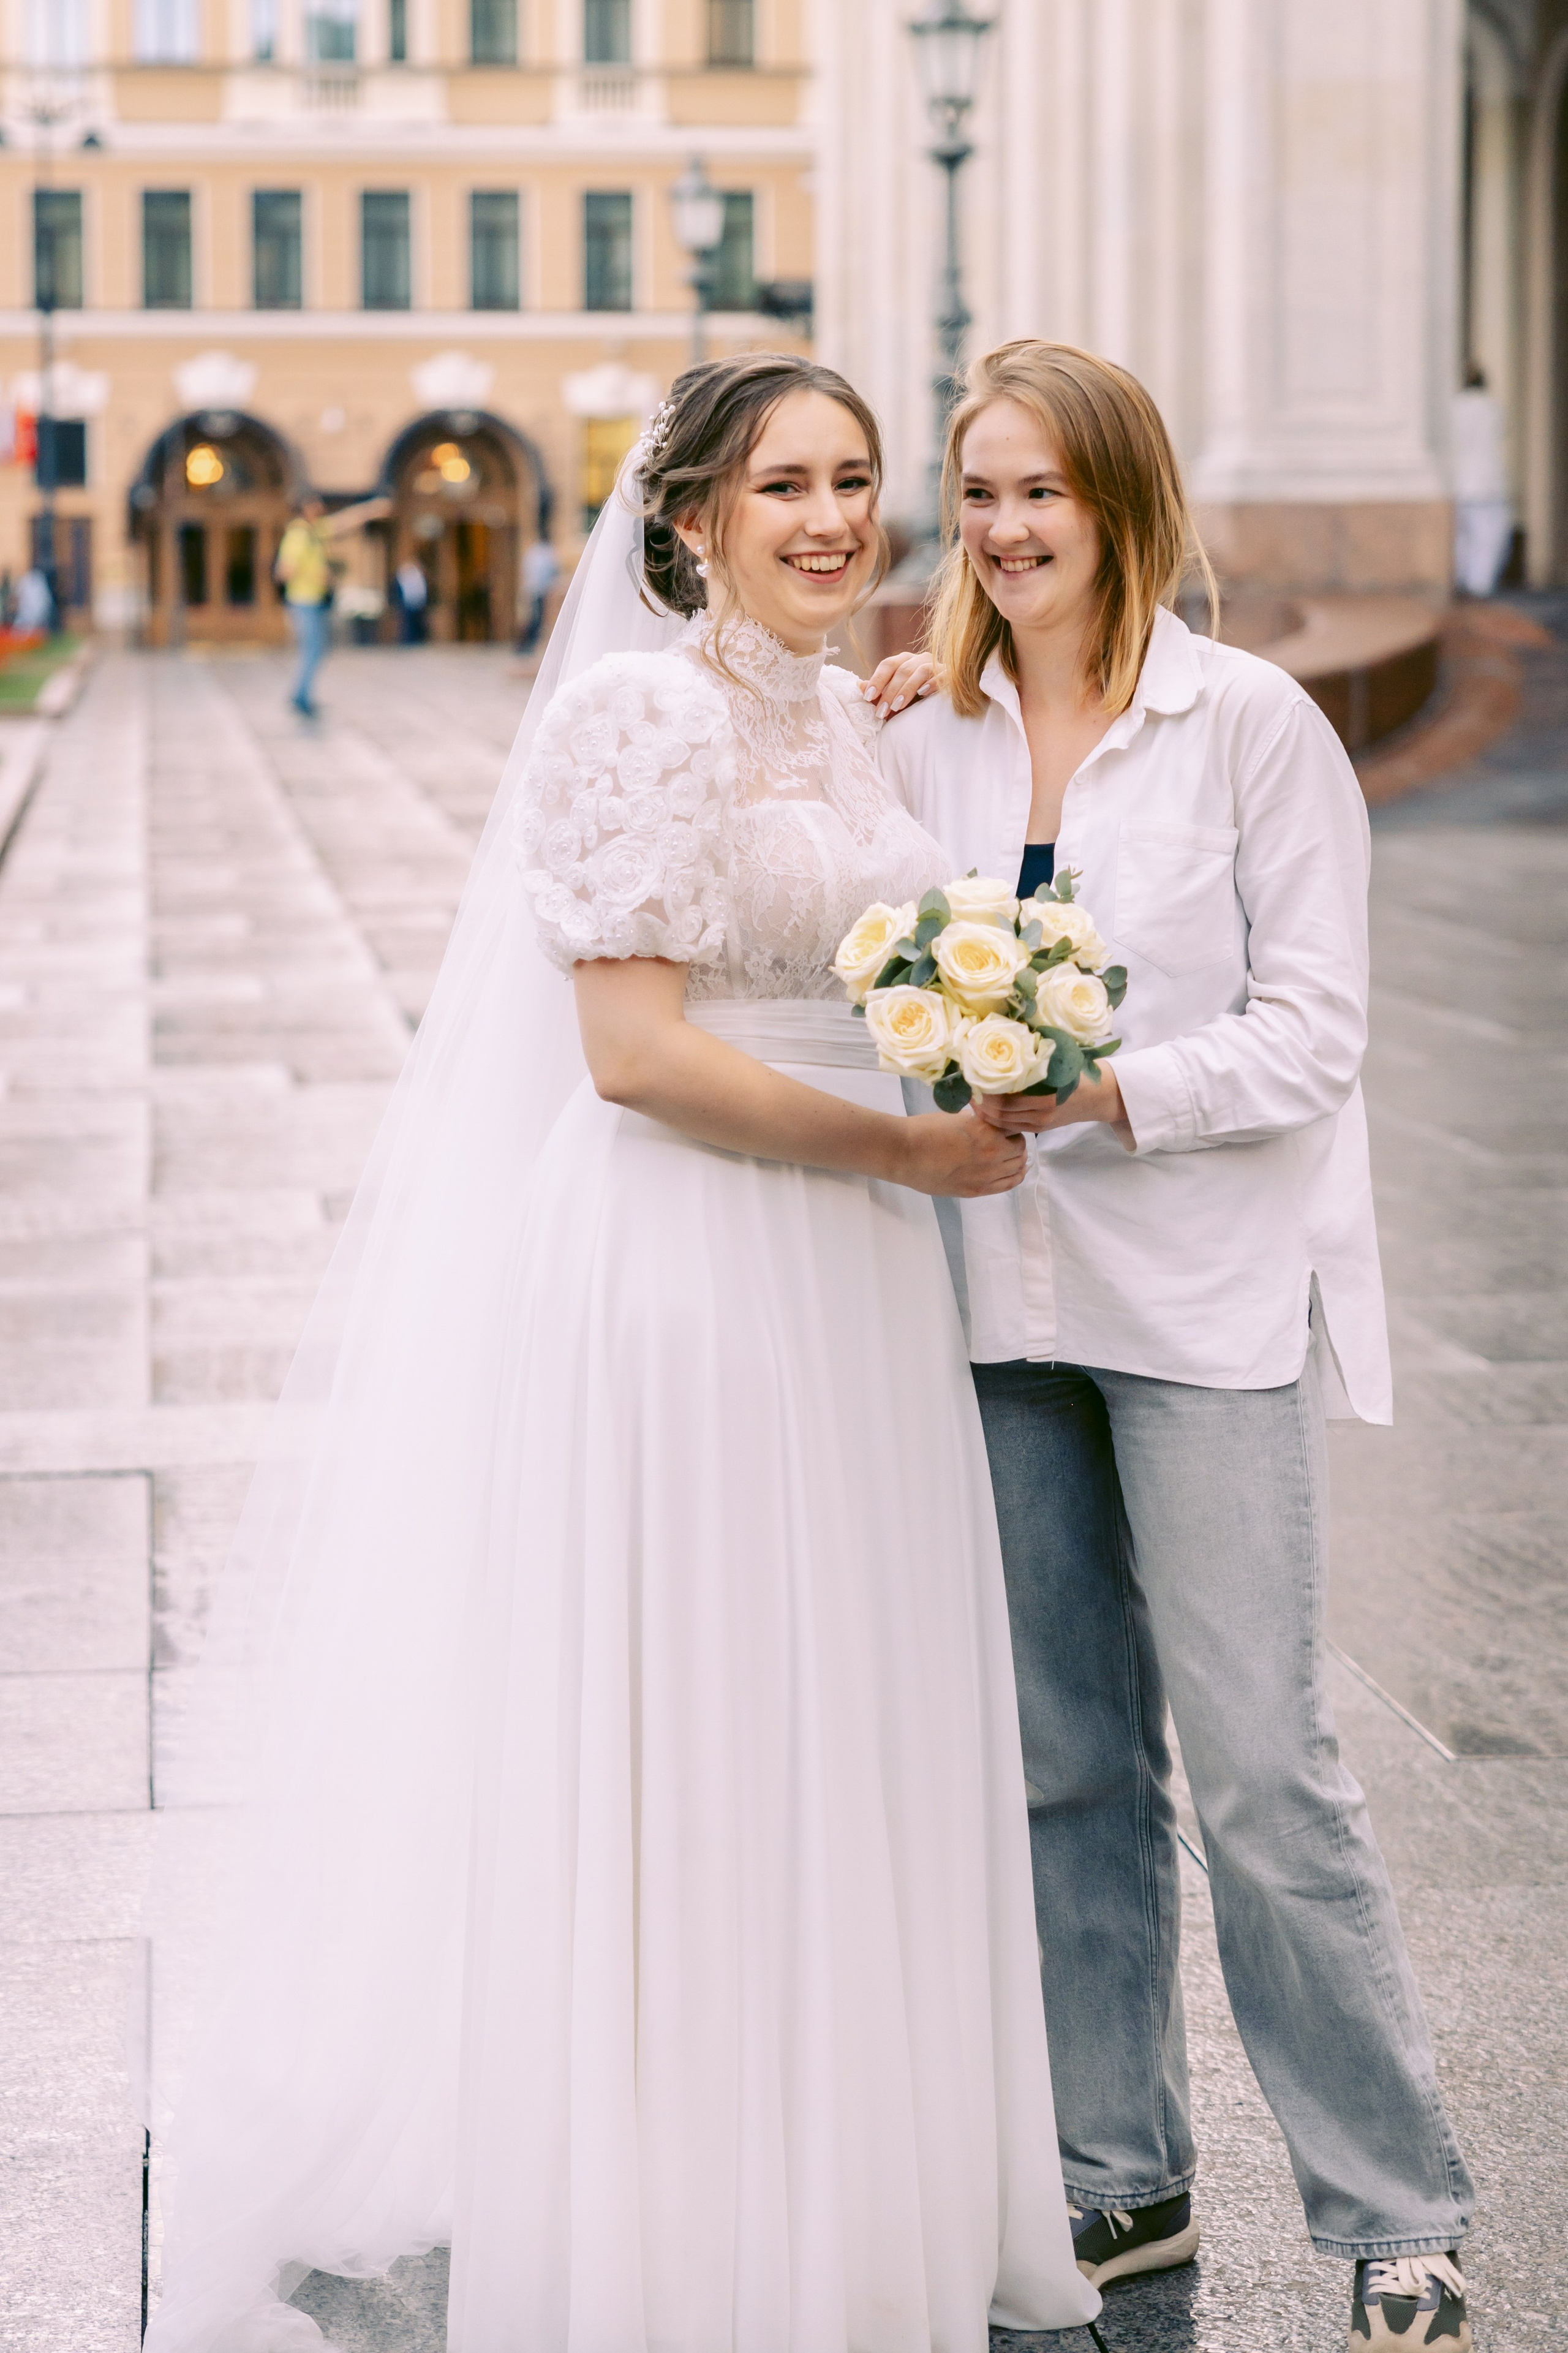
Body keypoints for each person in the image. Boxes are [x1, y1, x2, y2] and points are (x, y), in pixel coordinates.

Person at [137, 352, 1102, 2353]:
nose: (834, 520)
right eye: (784, 489)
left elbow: (889, 913)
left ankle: (831, 2181)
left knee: (834, 1714)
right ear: (687, 522)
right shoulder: (632, 716)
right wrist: (910, 1147)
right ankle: (675, 2208)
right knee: (701, 1715)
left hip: (849, 1284)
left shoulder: (851, 716)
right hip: (690, 1269)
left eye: (855, 481)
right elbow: (637, 1054)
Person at [875, 340, 1475, 2353]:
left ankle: (1395, 2211)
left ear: (1123, 500)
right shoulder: (925, 741)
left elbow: (1319, 1031)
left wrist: (1117, 1092)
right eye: (977, 495)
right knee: (1062, 1768)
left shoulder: (1254, 730)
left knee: (1266, 1776)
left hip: (1199, 1311)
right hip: (995, 1309)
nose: (1006, 529)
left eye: (1039, 489)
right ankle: (1111, 2175)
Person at [1452, 366, 1514, 598]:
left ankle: (1463, 580)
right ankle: (1480, 586)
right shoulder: (1493, 408)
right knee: (1488, 536)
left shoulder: (1452, 408)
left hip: (1459, 480)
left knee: (1462, 536)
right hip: (1489, 481)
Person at [274, 494, 337, 716]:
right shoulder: (299, 534)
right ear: (307, 508)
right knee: (312, 648)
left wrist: (372, 510)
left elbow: (342, 523)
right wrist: (314, 575)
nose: (321, 509)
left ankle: (303, 694)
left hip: (314, 599)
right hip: (303, 600)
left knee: (317, 649)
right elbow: (284, 571)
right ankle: (301, 697)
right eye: (317, 505)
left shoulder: (316, 530)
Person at [516, 530, 559, 654]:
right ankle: (528, 645)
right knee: (536, 619)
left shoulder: (533, 552)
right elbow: (553, 571)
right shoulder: (548, 553)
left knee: (532, 618)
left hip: (533, 590)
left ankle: (528, 645)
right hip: (540, 591)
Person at [393, 555, 429, 644]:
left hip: (415, 602)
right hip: (411, 603)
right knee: (410, 625)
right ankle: (410, 641)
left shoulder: (416, 575)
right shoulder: (409, 575)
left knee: (415, 624)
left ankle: (415, 640)